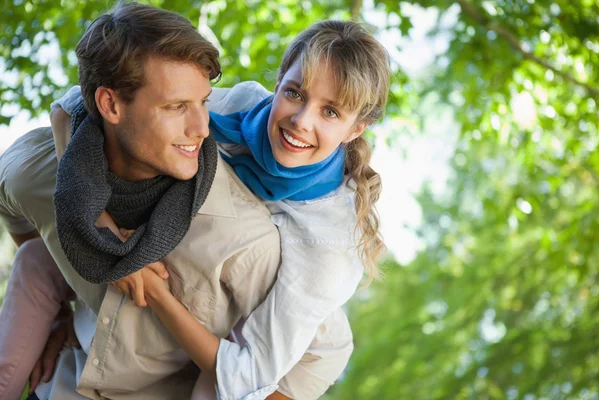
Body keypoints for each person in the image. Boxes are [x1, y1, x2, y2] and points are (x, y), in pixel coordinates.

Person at [0, 3, 355, 400]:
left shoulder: (252, 241)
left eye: (203, 102)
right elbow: (26, 183)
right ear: (110, 105)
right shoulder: (36, 166)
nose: (203, 128)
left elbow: (322, 353)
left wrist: (157, 295)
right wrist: (92, 240)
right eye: (176, 107)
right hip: (59, 384)